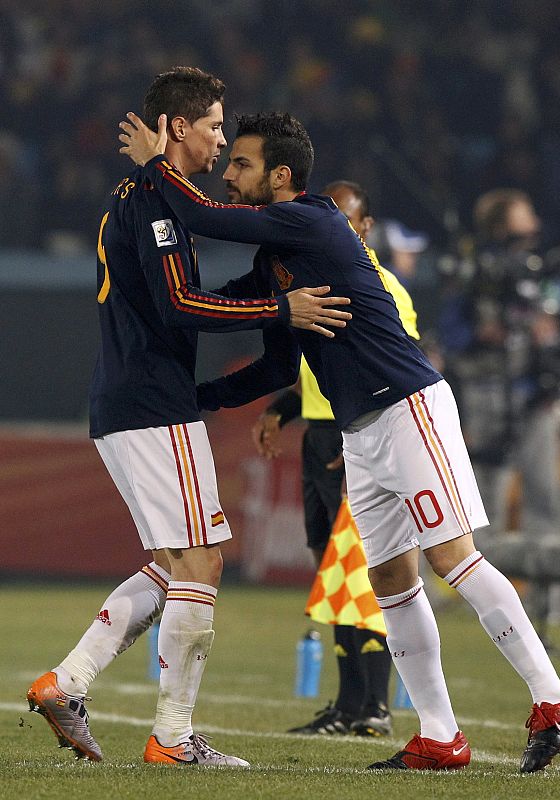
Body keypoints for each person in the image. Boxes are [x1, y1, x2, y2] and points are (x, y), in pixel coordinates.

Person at [119, 109, 560, 774]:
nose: (229, 173)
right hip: (360, 428)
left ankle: (554, 697)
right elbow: (271, 356)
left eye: (242, 164)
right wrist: (197, 395)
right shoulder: (277, 253)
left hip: (407, 407)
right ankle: (440, 735)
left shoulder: (310, 220)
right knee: (393, 581)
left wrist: (155, 167)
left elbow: (209, 217)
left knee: (453, 558)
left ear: (281, 175)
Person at [26, 67, 352, 768]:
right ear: (179, 127)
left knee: (175, 562)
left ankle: (68, 682)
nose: (219, 141)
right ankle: (173, 738)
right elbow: (182, 303)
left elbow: (178, 294)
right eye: (213, 128)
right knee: (201, 559)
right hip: (151, 400)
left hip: (125, 399)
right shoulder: (158, 200)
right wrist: (278, 308)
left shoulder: (133, 195)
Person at [251, 180, 421, 738]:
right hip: (321, 439)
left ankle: (374, 705)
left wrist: (364, 454)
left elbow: (395, 370)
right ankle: (349, 704)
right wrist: (282, 408)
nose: (337, 232)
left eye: (348, 222)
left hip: (358, 442)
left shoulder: (383, 288)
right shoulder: (318, 282)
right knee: (335, 575)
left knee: (363, 574)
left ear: (366, 228)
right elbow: (321, 377)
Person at [439, 189, 560, 623]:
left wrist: (554, 330)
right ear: (502, 225)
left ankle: (547, 604)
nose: (534, 224)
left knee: (544, 497)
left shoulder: (544, 275)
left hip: (537, 397)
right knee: (482, 500)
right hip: (487, 397)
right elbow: (452, 332)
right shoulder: (476, 274)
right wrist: (481, 332)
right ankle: (483, 599)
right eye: (524, 216)